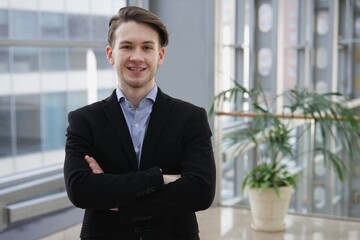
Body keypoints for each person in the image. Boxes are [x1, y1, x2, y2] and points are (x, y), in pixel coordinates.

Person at [64, 6, 216, 240]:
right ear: (110, 54)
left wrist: (118, 200)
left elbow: (201, 192)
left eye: (147, 47)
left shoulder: (190, 118)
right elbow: (80, 190)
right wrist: (159, 179)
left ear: (160, 56)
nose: (137, 56)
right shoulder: (84, 120)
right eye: (126, 46)